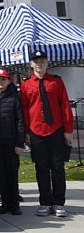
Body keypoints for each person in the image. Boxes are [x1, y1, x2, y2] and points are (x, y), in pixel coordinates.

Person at [20, 49, 74, 217]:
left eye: (42, 61)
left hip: (56, 130)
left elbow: (65, 105)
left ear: (47, 63)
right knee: (41, 167)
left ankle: (58, 202)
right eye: (36, 61)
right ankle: (45, 202)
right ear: (31, 64)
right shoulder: (26, 84)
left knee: (58, 167)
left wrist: (68, 130)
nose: (39, 64)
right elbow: (24, 110)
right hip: (36, 131)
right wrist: (27, 133)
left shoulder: (56, 82)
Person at [0, 68, 25, 215]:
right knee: (0, 174)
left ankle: (14, 203)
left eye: (3, 79)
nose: (0, 82)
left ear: (9, 81)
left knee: (12, 173)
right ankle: (5, 203)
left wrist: (20, 143)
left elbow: (20, 120)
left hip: (11, 142)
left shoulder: (14, 97)